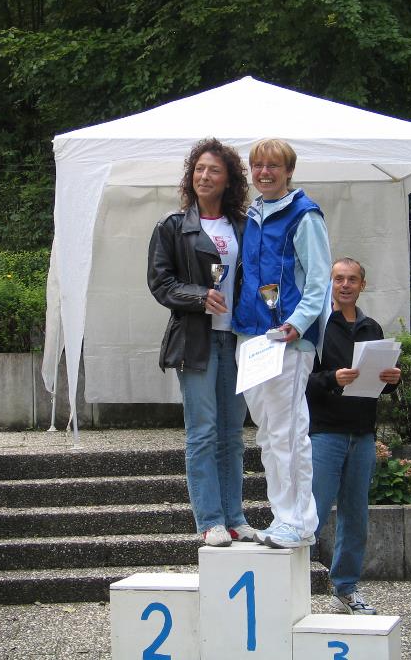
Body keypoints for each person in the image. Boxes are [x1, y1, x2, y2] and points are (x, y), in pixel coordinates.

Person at [147, 138, 256, 547]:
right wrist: (199, 296)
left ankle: (235, 518)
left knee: (233, 434)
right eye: (199, 169)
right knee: (204, 432)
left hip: (237, 339)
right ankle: (210, 520)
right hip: (196, 340)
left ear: (229, 180)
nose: (204, 176)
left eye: (214, 170)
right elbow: (160, 282)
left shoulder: (244, 225)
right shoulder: (172, 226)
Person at [232, 138, 332, 549]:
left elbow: (319, 280)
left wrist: (297, 323)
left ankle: (300, 521)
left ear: (288, 171)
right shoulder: (251, 214)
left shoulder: (305, 215)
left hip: (288, 341)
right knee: (268, 434)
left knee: (290, 432)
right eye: (258, 165)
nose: (264, 172)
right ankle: (281, 516)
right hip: (252, 339)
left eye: (273, 166)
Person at [306, 257, 401, 615]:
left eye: (352, 279)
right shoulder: (316, 326)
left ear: (363, 285)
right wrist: (332, 379)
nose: (345, 285)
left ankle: (345, 589)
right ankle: (290, 586)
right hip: (325, 432)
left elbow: (379, 383)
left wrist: (392, 379)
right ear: (330, 284)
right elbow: (300, 380)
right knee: (313, 514)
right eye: (338, 279)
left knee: (355, 516)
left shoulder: (371, 327)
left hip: (362, 433)